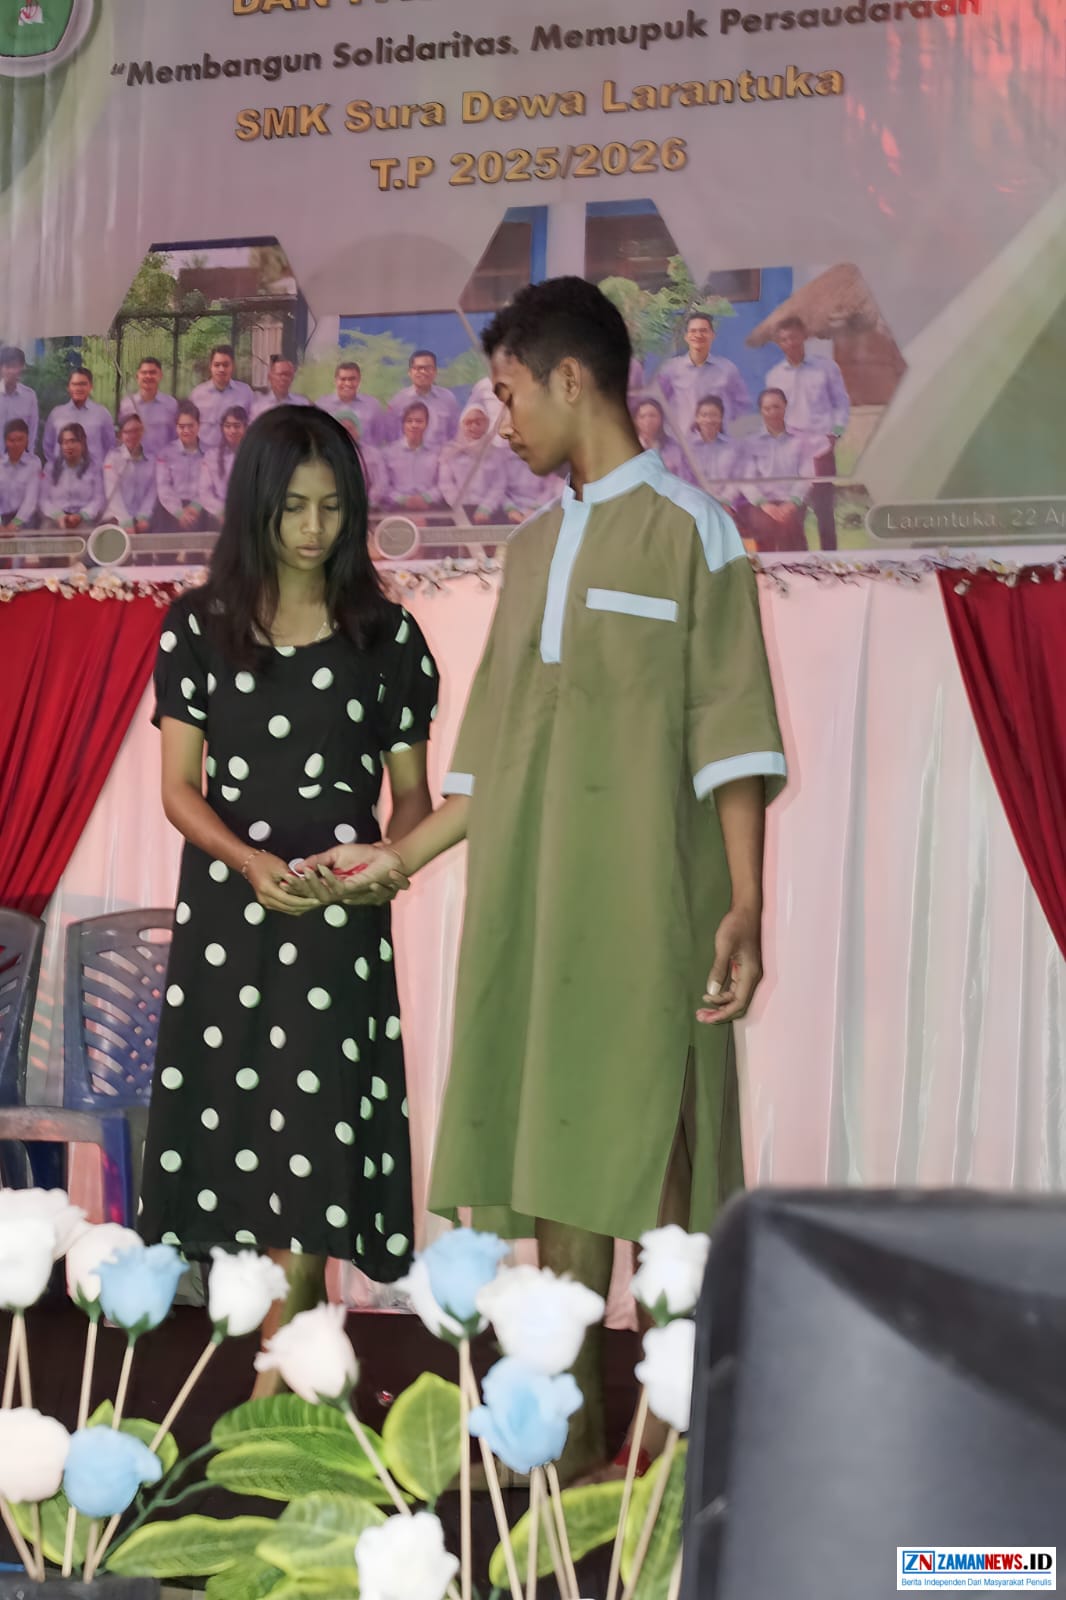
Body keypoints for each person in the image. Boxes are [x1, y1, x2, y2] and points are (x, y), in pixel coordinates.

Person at [306, 277, 785, 1479]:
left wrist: (744, 903)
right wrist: (391, 862)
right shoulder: (526, 553)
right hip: (538, 915)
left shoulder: (694, 532)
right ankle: (562, 1450)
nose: (499, 417)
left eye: (510, 392)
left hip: (657, 912)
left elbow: (731, 734)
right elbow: (490, 766)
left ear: (572, 379)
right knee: (562, 1162)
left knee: (666, 1175)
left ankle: (674, 1451)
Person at [140, 404, 439, 1377]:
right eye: (295, 508)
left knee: (314, 1128)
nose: (314, 528)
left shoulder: (387, 636)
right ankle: (287, 1360)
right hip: (232, 914)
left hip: (337, 923)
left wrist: (385, 861)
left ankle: (287, 1363)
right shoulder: (198, 628)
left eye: (333, 507)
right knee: (241, 1129)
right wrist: (248, 861)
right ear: (257, 508)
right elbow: (179, 789)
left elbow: (411, 797)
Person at [765, 315, 849, 551]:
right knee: (795, 512)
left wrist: (835, 434)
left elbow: (841, 403)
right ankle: (799, 563)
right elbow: (772, 413)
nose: (789, 343)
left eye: (793, 337)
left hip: (821, 448)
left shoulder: (826, 368)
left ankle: (831, 562)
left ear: (804, 336)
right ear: (779, 343)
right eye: (784, 339)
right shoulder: (774, 376)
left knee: (824, 511)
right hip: (792, 451)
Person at [735, 387, 816, 552]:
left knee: (789, 525)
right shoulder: (750, 443)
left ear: (785, 406)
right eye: (767, 408)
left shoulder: (801, 440)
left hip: (792, 501)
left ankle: (798, 566)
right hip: (761, 504)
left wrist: (792, 503)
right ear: (761, 411)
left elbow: (807, 475)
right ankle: (765, 566)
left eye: (776, 407)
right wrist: (764, 504)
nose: (772, 412)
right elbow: (745, 479)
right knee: (764, 527)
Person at [656, 311, 751, 435]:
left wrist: (725, 423)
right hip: (682, 440)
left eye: (703, 331)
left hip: (717, 440)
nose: (698, 335)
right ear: (686, 336)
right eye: (693, 331)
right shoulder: (671, 369)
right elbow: (658, 403)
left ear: (712, 335)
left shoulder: (727, 369)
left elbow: (742, 403)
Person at [439, 404, 509, 524]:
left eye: (478, 422)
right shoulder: (450, 451)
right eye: (469, 422)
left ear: (486, 425)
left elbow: (499, 484)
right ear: (461, 425)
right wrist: (459, 508)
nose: (474, 426)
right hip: (456, 509)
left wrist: (486, 508)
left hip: (488, 511)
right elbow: (445, 483)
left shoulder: (495, 453)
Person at [43, 367, 115, 466]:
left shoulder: (102, 414)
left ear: (91, 386)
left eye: (83, 384)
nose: (78, 388)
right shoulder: (56, 414)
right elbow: (48, 446)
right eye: (74, 384)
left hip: (93, 473)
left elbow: (110, 447)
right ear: (68, 387)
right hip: (62, 473)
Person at [386, 351, 458, 448]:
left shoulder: (447, 398)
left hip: (441, 455)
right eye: (419, 368)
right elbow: (391, 436)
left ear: (435, 371)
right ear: (410, 372)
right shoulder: (398, 401)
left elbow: (454, 433)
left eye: (428, 368)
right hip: (407, 456)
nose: (423, 372)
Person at [190, 345, 254, 452]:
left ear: (232, 366)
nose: (221, 369)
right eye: (217, 365)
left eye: (225, 365)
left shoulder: (245, 392)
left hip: (234, 455)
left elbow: (253, 425)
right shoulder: (197, 394)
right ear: (210, 366)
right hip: (203, 454)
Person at [40, 422, 104, 529]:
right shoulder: (50, 468)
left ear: (82, 443)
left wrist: (81, 516)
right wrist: (59, 516)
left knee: (87, 530)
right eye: (65, 442)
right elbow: (43, 500)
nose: (68, 446)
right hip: (56, 518)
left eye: (73, 441)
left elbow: (98, 499)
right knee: (46, 528)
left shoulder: (93, 468)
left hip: (83, 518)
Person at [379, 402, 442, 511]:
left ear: (427, 424)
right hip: (396, 508)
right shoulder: (387, 453)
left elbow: (443, 484)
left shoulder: (438, 452)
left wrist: (425, 498)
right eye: (409, 421)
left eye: (419, 421)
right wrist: (403, 500)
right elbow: (383, 486)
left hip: (430, 507)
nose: (414, 425)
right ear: (403, 424)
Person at [156, 401, 207, 532]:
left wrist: (196, 506)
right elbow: (163, 487)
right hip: (171, 510)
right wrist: (179, 512)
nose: (186, 431)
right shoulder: (165, 453)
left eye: (191, 426)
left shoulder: (209, 454)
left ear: (199, 425)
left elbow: (210, 485)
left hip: (200, 508)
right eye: (182, 426)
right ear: (176, 427)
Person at [104, 412, 157, 534]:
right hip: (117, 517)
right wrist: (125, 521)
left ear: (142, 432)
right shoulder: (112, 458)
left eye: (136, 431)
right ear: (121, 435)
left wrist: (144, 516)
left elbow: (152, 492)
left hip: (144, 518)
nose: (133, 435)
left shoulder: (152, 459)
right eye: (127, 432)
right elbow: (112, 493)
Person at [118, 358, 179, 457]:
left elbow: (176, 437)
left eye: (152, 372)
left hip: (162, 461)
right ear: (137, 376)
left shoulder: (171, 404)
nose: (148, 376)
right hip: (135, 461)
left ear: (160, 376)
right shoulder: (127, 404)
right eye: (144, 373)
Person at [687, 394, 742, 503]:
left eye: (714, 415)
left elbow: (736, 480)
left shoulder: (732, 447)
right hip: (693, 503)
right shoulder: (686, 447)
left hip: (724, 503)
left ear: (721, 418)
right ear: (697, 418)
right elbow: (683, 480)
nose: (709, 420)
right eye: (704, 415)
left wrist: (724, 501)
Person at [317, 360, 386, 445]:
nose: (348, 383)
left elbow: (379, 437)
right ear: (336, 380)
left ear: (359, 380)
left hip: (364, 453)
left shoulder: (372, 405)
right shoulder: (321, 405)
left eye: (352, 379)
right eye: (343, 379)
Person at [199, 405, 248, 523]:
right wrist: (222, 512)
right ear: (222, 428)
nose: (232, 431)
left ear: (245, 427)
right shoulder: (211, 457)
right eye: (228, 426)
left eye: (237, 426)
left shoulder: (256, 456)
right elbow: (204, 492)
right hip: (219, 517)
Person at [631, 395, 691, 481]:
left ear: (661, 418)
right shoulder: (629, 445)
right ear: (636, 421)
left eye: (652, 415)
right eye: (642, 416)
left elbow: (684, 477)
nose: (648, 420)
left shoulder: (673, 447)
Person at [0, 418, 41, 530]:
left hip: (26, 519)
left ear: (27, 440)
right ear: (5, 441)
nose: (16, 444)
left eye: (20, 440)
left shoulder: (34, 464)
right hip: (2, 518)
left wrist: (15, 524)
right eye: (11, 440)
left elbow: (30, 501)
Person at [339, 416, 385, 507]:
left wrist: (367, 502)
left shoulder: (373, 454)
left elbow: (381, 482)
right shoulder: (328, 456)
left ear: (358, 430)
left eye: (350, 428)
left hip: (369, 507)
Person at [0, 347, 39, 451]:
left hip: (20, 458)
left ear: (21, 368)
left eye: (15, 366)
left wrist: (28, 456)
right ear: (1, 368)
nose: (11, 371)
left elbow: (32, 431)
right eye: (8, 366)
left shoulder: (29, 396)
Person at [251, 355, 312, 419]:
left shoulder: (302, 404)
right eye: (280, 374)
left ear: (292, 378)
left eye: (287, 374)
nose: (284, 378)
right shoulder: (258, 407)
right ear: (270, 377)